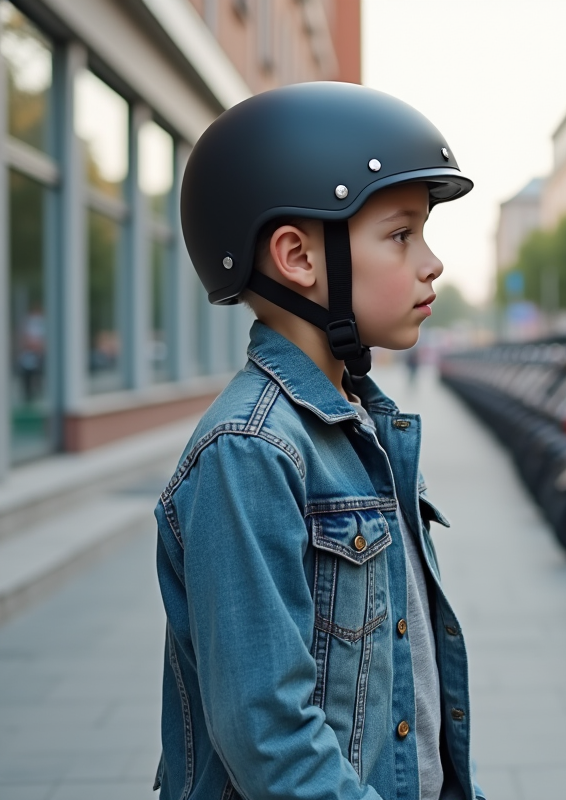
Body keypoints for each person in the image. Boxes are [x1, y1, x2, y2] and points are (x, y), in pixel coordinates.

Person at [153, 82, 482, 800]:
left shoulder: (362, 424)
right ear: (298, 257)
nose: (432, 263)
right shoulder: (251, 452)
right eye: (401, 235)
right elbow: (270, 735)